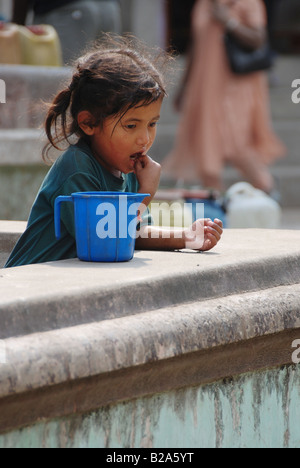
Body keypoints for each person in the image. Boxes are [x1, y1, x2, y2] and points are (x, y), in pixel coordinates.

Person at [4, 36, 223, 268]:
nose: (145, 138)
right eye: (131, 125)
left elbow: (136, 230)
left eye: (152, 124)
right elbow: (109, 238)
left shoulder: (125, 167)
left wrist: (187, 236)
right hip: (30, 285)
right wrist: (146, 193)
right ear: (88, 123)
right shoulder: (78, 169)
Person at [162, 0, 286, 195]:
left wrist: (229, 21)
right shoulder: (203, 5)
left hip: (236, 86)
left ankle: (266, 185)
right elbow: (196, 45)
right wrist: (183, 87)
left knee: (237, 142)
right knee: (206, 143)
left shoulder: (248, 3)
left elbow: (259, 39)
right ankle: (216, 203)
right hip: (205, 85)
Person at [12, 0, 122, 64]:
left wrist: (15, 27)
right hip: (108, 8)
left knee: (62, 80)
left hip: (67, 10)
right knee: (109, 80)